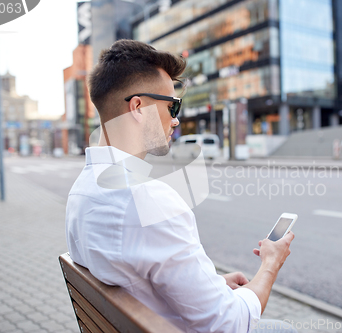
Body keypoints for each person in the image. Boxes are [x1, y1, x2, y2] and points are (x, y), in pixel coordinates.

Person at [65, 39, 296, 333]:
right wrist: (270, 264)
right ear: (138, 107)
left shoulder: (82, 190)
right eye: (172, 106)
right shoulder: (149, 201)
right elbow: (231, 324)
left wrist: (212, 286)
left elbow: (133, 278)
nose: (176, 121)